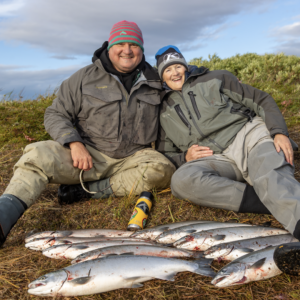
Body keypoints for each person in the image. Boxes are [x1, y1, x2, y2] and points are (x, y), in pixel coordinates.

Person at [0, 21, 176, 246]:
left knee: (163, 169)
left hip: (132, 158)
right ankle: (3, 219)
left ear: (141, 49)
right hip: (87, 157)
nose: (127, 50)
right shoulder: (83, 78)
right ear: (109, 46)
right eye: (120, 43)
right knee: (36, 156)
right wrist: (74, 143)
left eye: (133, 44)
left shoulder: (155, 81)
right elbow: (55, 114)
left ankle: (87, 192)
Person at [155, 45, 300, 239]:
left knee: (269, 172)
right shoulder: (163, 111)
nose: (174, 73)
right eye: (167, 70)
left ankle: (289, 209)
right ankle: (271, 198)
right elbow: (166, 154)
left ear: (185, 66)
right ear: (162, 77)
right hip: (217, 158)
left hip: (249, 137)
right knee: (181, 181)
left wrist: (278, 132)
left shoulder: (216, 78)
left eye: (177, 66)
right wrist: (185, 157)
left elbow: (261, 99)